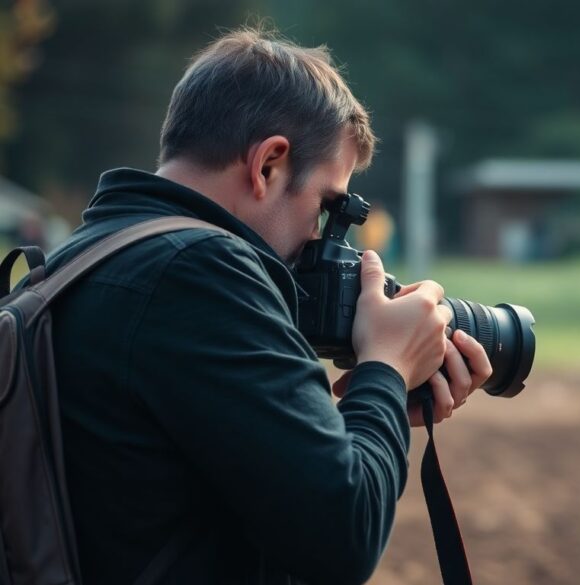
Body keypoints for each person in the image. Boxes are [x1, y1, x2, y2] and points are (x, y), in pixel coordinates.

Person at [43, 27, 492, 585]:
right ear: (268, 165)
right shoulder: (200, 272)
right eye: (328, 209)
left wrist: (381, 410)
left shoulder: (83, 260)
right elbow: (341, 537)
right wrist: (386, 365)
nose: (325, 241)